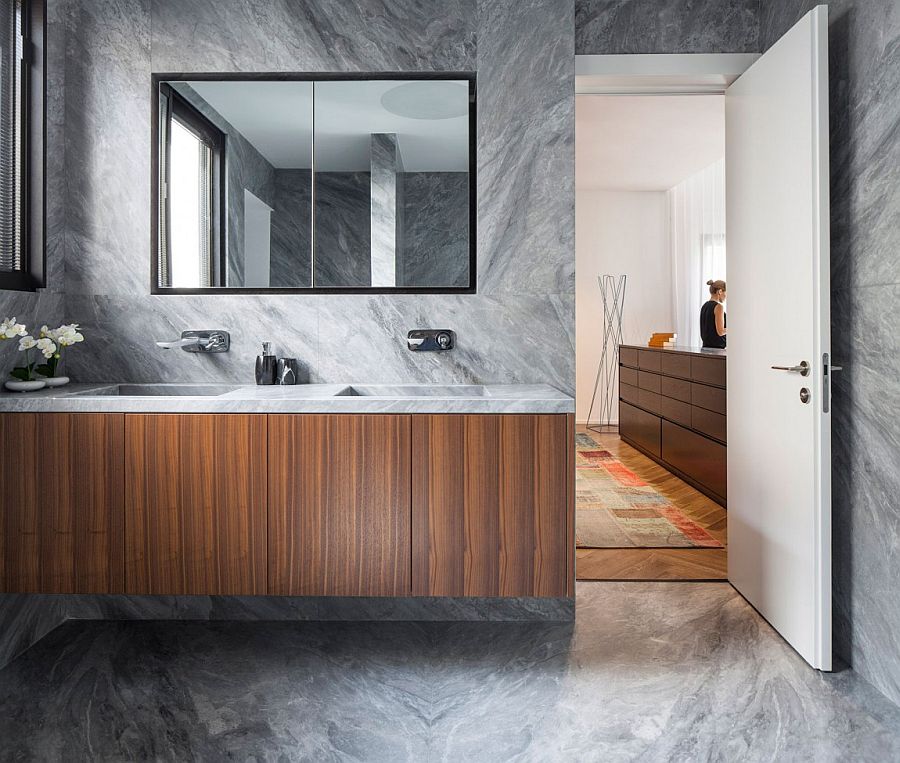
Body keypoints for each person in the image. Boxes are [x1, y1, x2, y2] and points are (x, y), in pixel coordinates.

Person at [700, 279, 727, 349]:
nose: (726, 296)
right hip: (718, 350)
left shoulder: (704, 306)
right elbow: (720, 332)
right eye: (726, 293)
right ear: (720, 291)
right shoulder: (719, 307)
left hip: (705, 348)